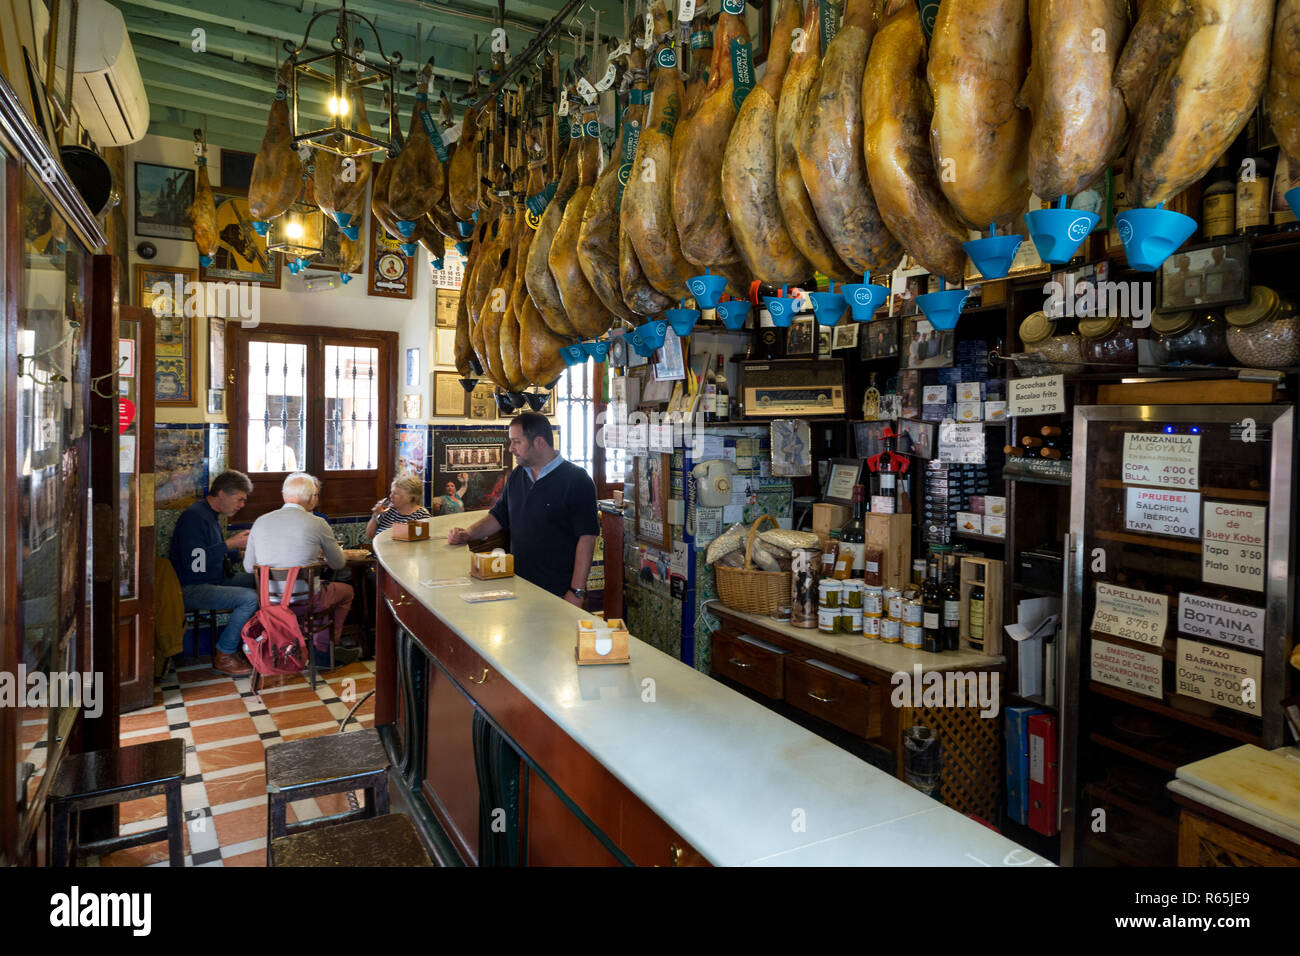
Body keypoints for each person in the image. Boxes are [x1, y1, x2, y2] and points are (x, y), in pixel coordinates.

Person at [447, 412, 599, 606]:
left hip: (558, 591)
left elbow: (587, 538)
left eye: (517, 442)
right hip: (519, 585)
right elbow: (499, 516)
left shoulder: (577, 480)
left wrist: (576, 591)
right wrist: (467, 534)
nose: (511, 448)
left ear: (539, 443)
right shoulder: (518, 475)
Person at [243, 473, 357, 669]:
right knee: (344, 592)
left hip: (269, 602)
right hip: (307, 602)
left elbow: (248, 567)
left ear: (283, 495)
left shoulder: (261, 521)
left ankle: (301, 645)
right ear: (313, 498)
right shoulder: (317, 523)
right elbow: (338, 563)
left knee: (320, 591)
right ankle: (323, 650)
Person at [169, 470, 260, 676]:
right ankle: (224, 655)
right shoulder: (194, 517)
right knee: (249, 599)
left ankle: (257, 644)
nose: (241, 505)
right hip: (191, 587)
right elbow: (195, 563)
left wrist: (242, 553)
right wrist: (229, 544)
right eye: (239, 499)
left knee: (261, 581)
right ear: (222, 494)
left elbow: (214, 554)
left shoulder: (211, 515)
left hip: (215, 579)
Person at [365, 476, 432, 539]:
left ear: (410, 498)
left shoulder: (422, 516)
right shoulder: (388, 510)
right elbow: (369, 535)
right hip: (380, 550)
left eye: (395, 494)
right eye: (391, 492)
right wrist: (375, 515)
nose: (391, 496)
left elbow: (420, 544)